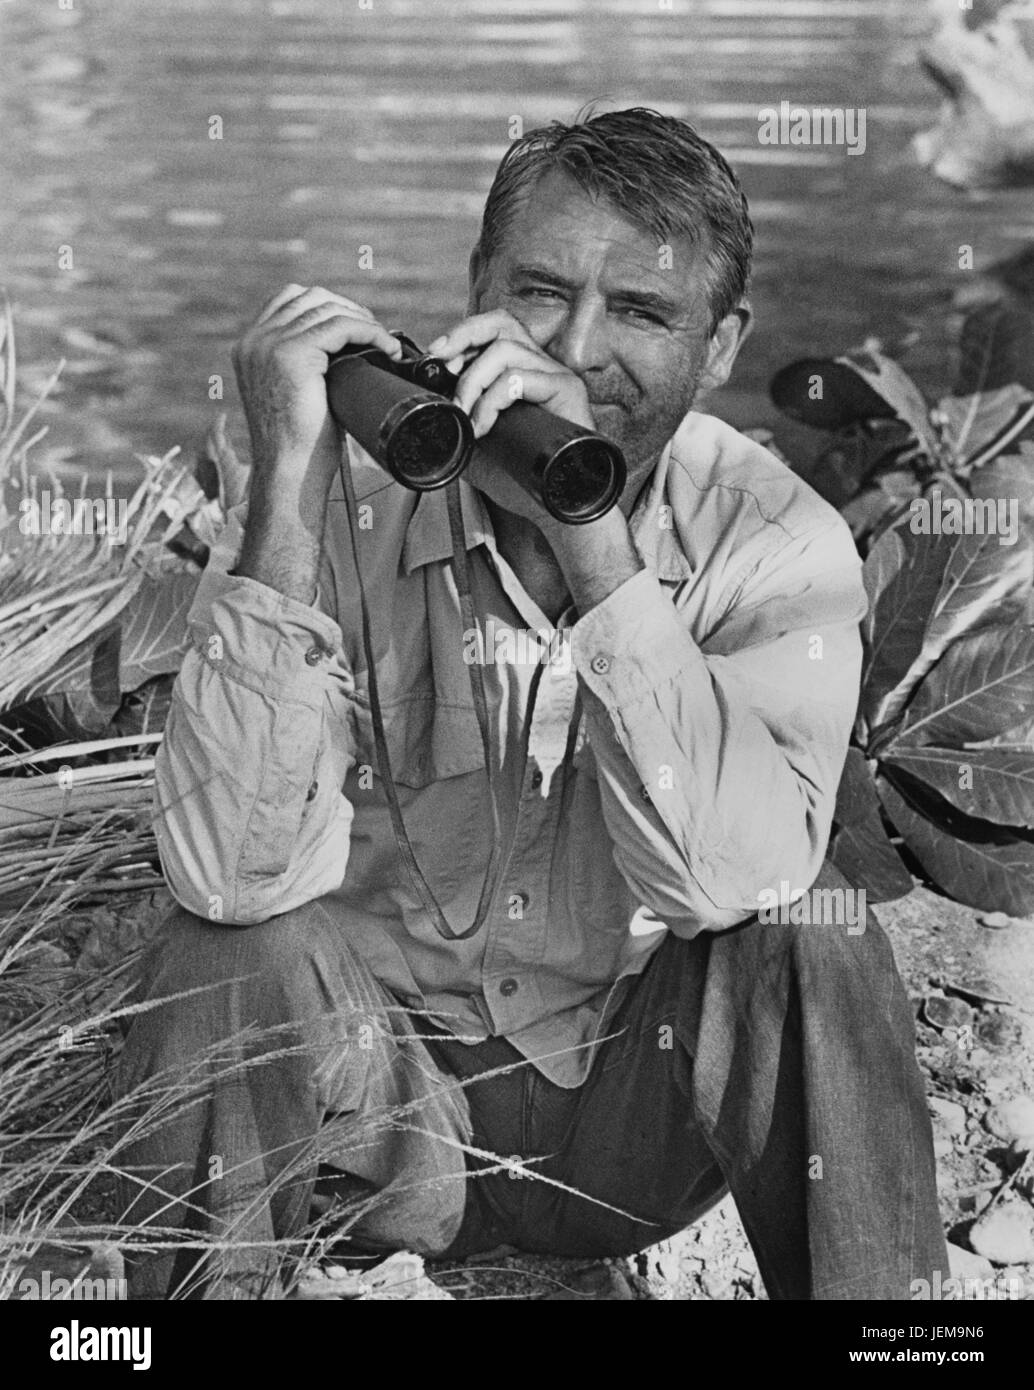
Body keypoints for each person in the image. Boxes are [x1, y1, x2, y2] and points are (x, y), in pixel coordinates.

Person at [115, 107, 947, 1300]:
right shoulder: (341, 493)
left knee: (810, 931)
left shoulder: (775, 543)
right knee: (218, 952)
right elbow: (221, 876)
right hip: (381, 1117)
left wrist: (592, 536)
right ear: (475, 290)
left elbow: (731, 881)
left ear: (720, 351)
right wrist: (289, 487)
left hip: (628, 1124)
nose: (575, 350)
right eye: (540, 293)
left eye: (644, 314)